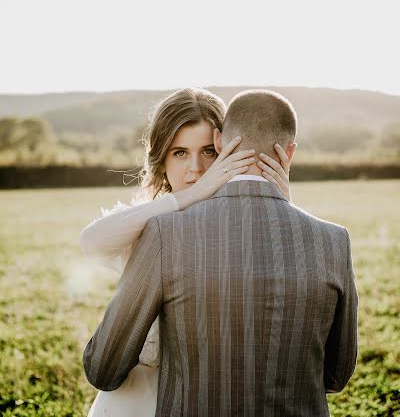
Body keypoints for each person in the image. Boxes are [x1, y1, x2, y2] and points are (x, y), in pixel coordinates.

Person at [83, 87, 358, 415]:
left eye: (208, 153)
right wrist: (190, 197)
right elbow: (93, 241)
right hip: (141, 396)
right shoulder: (155, 225)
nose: (195, 170)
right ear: (161, 157)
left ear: (221, 145)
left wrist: (279, 205)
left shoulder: (183, 234)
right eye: (180, 152)